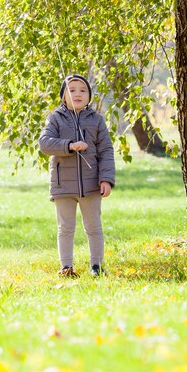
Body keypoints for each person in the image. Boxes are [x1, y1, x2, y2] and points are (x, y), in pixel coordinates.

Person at [39, 74, 115, 277]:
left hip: (91, 185)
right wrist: (69, 146)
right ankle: (66, 267)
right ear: (63, 96)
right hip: (63, 186)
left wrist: (106, 179)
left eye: (82, 90)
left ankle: (97, 266)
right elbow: (44, 144)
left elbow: (106, 151)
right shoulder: (55, 118)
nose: (77, 94)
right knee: (65, 228)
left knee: (94, 227)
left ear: (89, 96)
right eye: (71, 90)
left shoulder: (97, 120)